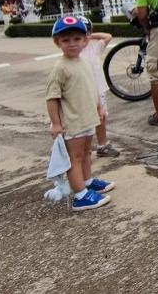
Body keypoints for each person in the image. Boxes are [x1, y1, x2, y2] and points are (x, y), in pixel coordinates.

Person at [46, 16, 114, 211]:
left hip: (87, 118)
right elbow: (52, 98)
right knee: (74, 158)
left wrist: (99, 107)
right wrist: (56, 123)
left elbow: (91, 87)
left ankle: (87, 181)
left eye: (77, 38)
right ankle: (80, 195)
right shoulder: (60, 68)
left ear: (86, 40)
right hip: (72, 122)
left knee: (86, 153)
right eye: (66, 40)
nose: (72, 44)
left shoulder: (82, 61)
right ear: (57, 42)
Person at [77, 16, 119, 158]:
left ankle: (102, 145)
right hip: (82, 92)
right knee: (84, 121)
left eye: (85, 33)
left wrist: (89, 36)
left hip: (98, 89)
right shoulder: (74, 52)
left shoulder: (94, 46)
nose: (82, 38)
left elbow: (108, 36)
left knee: (101, 118)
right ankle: (82, 148)